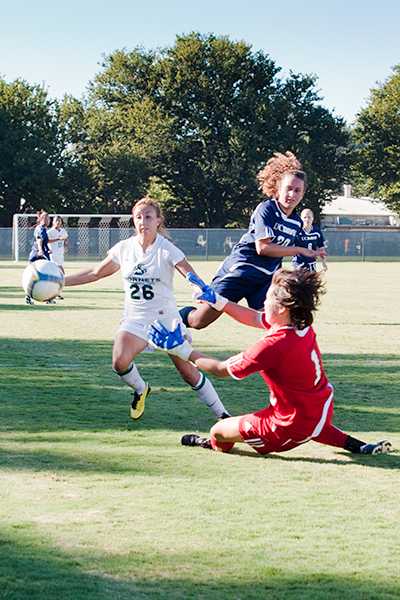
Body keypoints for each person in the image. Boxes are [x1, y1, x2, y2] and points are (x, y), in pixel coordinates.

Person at [149, 268, 392, 457]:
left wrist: (181, 349)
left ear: (284, 307)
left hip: (286, 425)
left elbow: (221, 370)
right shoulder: (301, 325)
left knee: (218, 432)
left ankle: (212, 445)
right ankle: (360, 447)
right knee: (314, 426)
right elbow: (254, 317)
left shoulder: (272, 346)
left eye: (267, 298)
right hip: (320, 407)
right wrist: (218, 301)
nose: (263, 302)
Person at [64, 196, 230, 422]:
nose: (143, 222)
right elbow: (95, 272)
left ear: (159, 220)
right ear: (134, 221)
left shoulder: (166, 249)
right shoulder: (124, 248)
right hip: (135, 320)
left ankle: (222, 414)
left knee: (188, 372)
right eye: (139, 217)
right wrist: (60, 282)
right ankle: (142, 389)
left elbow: (188, 272)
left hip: (167, 321)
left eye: (149, 217)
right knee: (119, 361)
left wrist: (198, 287)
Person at [179, 151, 327, 330]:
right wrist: (299, 250)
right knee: (198, 322)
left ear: (303, 194)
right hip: (241, 271)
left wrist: (312, 253)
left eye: (298, 190)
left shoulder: (296, 221)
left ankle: (278, 357)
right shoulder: (266, 209)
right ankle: (169, 320)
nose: (292, 194)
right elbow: (263, 248)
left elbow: (280, 253)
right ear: (278, 188)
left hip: (265, 279)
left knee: (278, 323)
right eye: (288, 188)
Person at [25, 211, 51, 305]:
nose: (47, 220)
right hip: (38, 254)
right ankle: (46, 298)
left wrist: (47, 249)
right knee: (44, 276)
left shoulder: (43, 228)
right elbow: (39, 240)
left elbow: (44, 242)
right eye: (45, 218)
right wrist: (41, 250)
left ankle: (47, 298)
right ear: (41, 219)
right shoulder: (40, 228)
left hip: (41, 253)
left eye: (48, 218)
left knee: (38, 277)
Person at [48, 216, 68, 301]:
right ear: (53, 222)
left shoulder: (63, 231)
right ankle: (53, 293)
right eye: (56, 221)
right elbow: (47, 241)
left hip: (60, 255)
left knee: (60, 275)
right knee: (60, 274)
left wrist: (66, 245)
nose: (58, 222)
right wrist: (58, 239)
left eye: (59, 221)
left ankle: (56, 293)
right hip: (53, 255)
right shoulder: (50, 232)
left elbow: (66, 239)